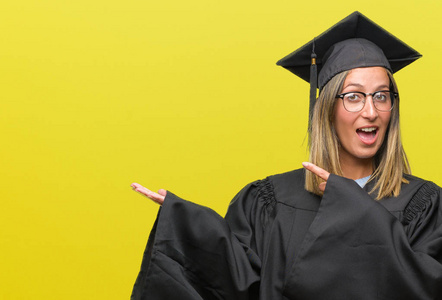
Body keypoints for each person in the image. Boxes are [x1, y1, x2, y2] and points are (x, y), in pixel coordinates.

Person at [130, 12, 442, 299]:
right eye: (354, 97)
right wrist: (189, 228)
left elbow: (425, 285)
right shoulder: (269, 202)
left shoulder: (424, 206)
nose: (371, 111)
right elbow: (236, 283)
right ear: (327, 109)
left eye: (381, 96)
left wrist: (351, 205)